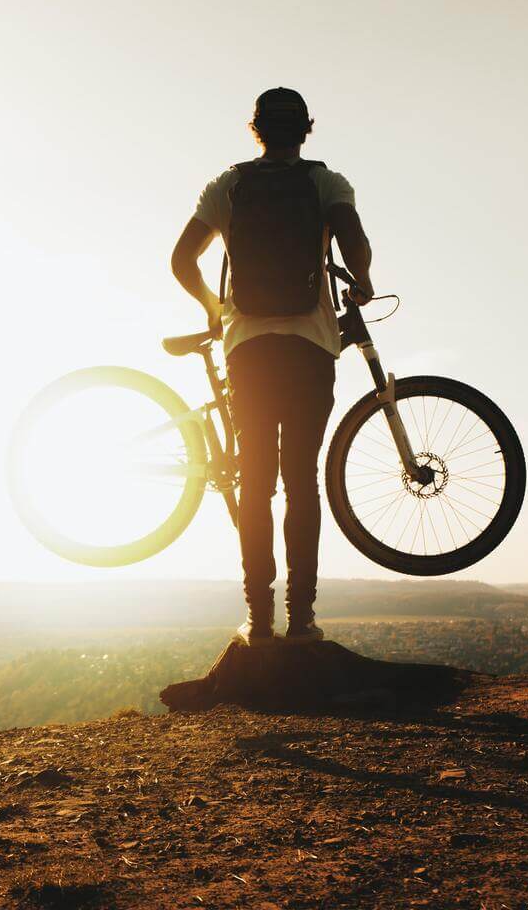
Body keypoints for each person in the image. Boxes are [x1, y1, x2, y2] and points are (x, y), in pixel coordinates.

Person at [170, 88, 374, 646]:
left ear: (254, 129)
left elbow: (181, 260)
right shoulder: (326, 182)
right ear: (307, 129)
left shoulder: (227, 186)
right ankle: (301, 619)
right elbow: (352, 239)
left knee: (256, 481)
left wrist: (217, 312)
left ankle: (258, 622)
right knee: (301, 481)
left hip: (248, 350)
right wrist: (364, 280)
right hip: (310, 347)